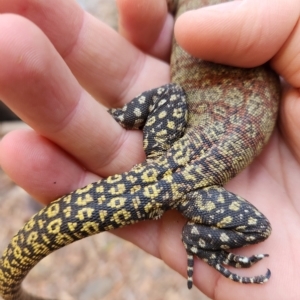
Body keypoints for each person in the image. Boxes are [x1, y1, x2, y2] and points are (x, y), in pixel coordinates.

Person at [0, 0, 299, 299]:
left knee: (257, 227)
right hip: (195, 171)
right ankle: (196, 238)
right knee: (257, 228)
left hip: (182, 159)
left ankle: (196, 236)